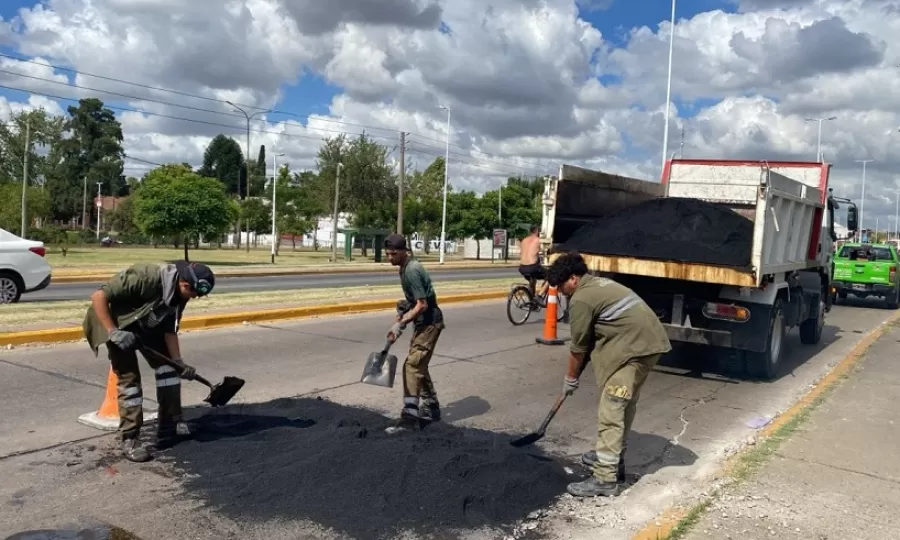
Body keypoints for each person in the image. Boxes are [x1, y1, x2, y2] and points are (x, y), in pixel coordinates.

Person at [546, 251, 671, 497]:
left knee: (612, 407)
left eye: (561, 285)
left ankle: (605, 479)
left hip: (634, 350)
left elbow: (579, 347)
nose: (560, 291)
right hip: (645, 345)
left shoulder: (581, 299)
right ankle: (613, 458)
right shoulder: (599, 284)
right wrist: (576, 373)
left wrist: (570, 379)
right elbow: (590, 339)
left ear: (573, 278)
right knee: (624, 404)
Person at [82, 260, 215, 462]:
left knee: (169, 371)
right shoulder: (147, 277)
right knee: (130, 382)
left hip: (148, 326)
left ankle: (169, 425)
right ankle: (130, 438)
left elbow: (170, 328)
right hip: (114, 323)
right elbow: (98, 296)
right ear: (185, 284)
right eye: (194, 293)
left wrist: (179, 363)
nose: (195, 297)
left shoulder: (181, 294)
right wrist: (114, 332)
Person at [384, 233, 445, 435]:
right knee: (420, 364)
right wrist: (403, 309)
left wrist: (400, 324)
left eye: (393, 253)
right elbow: (415, 301)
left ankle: (410, 417)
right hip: (422, 323)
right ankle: (432, 406)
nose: (389, 257)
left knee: (412, 365)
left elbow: (422, 304)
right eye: (387, 254)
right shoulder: (404, 267)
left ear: (403, 251)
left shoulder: (412, 270)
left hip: (429, 323)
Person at [518, 225, 548, 301]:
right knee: (551, 276)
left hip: (522, 268)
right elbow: (545, 250)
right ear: (537, 231)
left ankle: (532, 302)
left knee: (532, 280)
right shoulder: (538, 240)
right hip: (532, 267)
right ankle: (540, 295)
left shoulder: (524, 240)